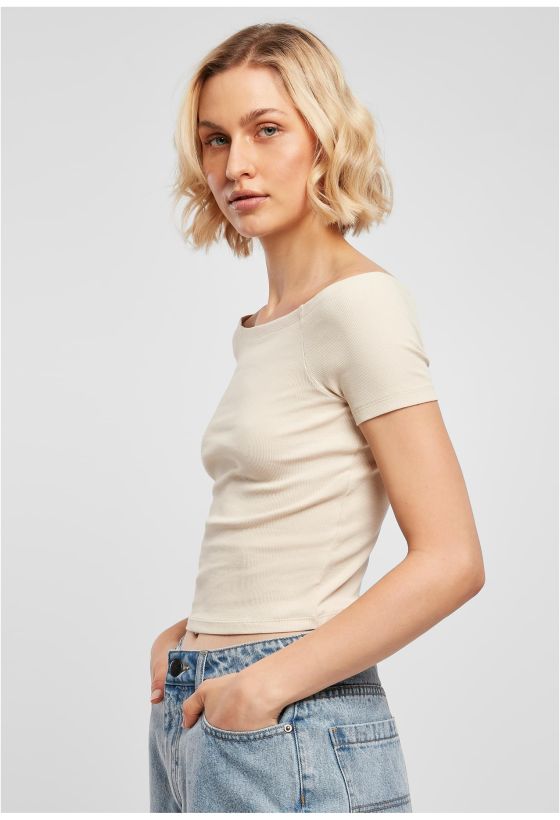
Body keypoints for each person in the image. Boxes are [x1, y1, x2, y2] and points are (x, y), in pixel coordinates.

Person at [148, 22, 485, 813]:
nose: (236, 164)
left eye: (266, 130)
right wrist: (193, 634)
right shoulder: (270, 325)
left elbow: (452, 559)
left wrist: (259, 687)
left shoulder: (360, 307)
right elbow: (287, 532)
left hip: (285, 720)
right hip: (204, 707)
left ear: (324, 139)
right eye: (215, 139)